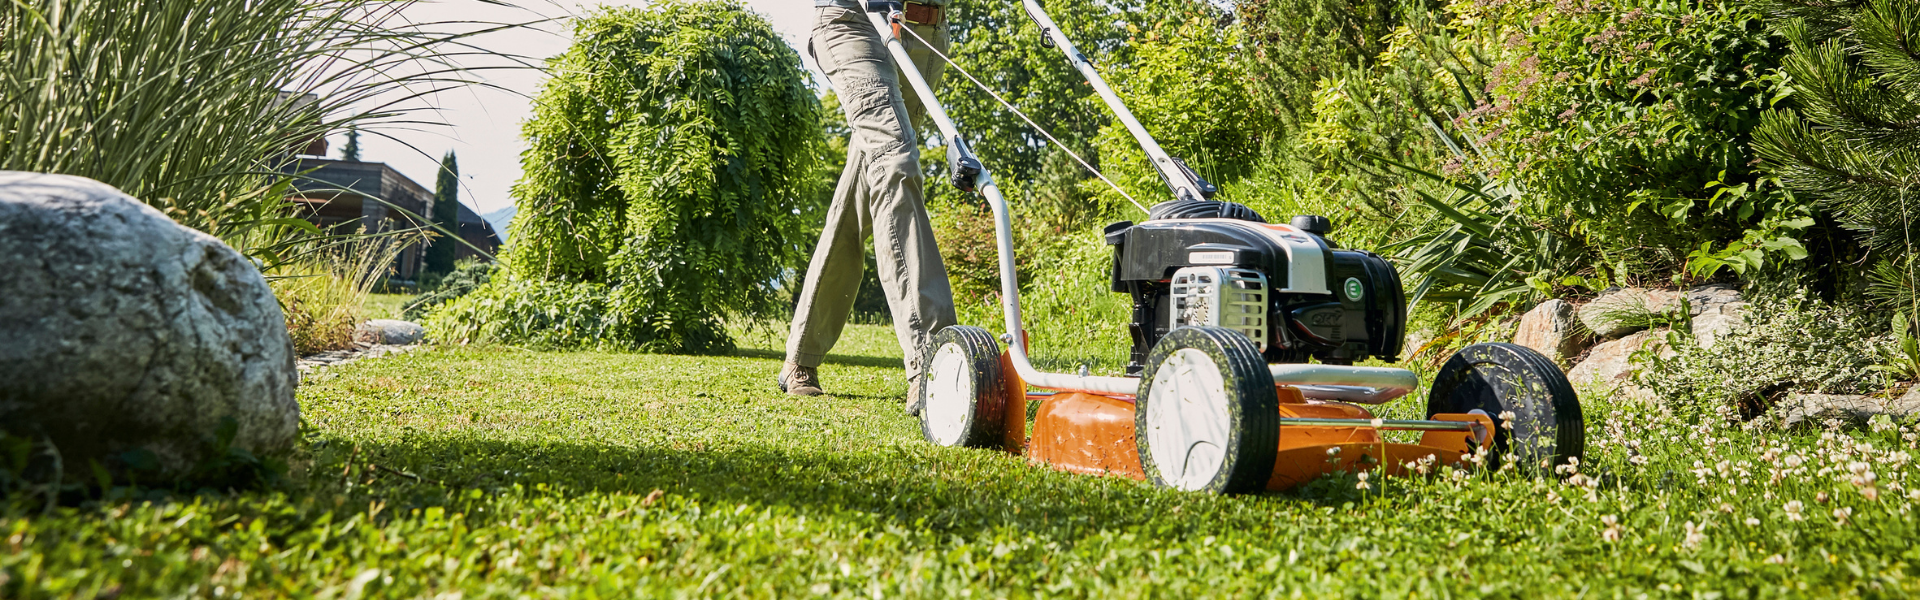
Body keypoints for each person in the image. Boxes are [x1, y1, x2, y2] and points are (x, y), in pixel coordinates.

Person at [780, 0, 956, 415]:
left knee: (865, 185)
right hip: (855, 22)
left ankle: (801, 354)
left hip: (925, 35)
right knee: (896, 163)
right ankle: (932, 354)